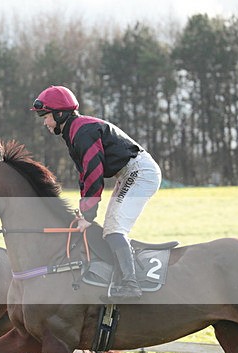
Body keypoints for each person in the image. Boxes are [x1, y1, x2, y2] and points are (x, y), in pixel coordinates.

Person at [31, 85, 162, 301]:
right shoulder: (74, 131)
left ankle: (131, 284)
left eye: (46, 116)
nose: (44, 122)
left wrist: (88, 216)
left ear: (60, 114)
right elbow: (85, 176)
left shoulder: (82, 132)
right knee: (110, 229)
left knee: (114, 229)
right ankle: (121, 277)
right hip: (129, 173)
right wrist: (84, 213)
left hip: (140, 173)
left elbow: (94, 174)